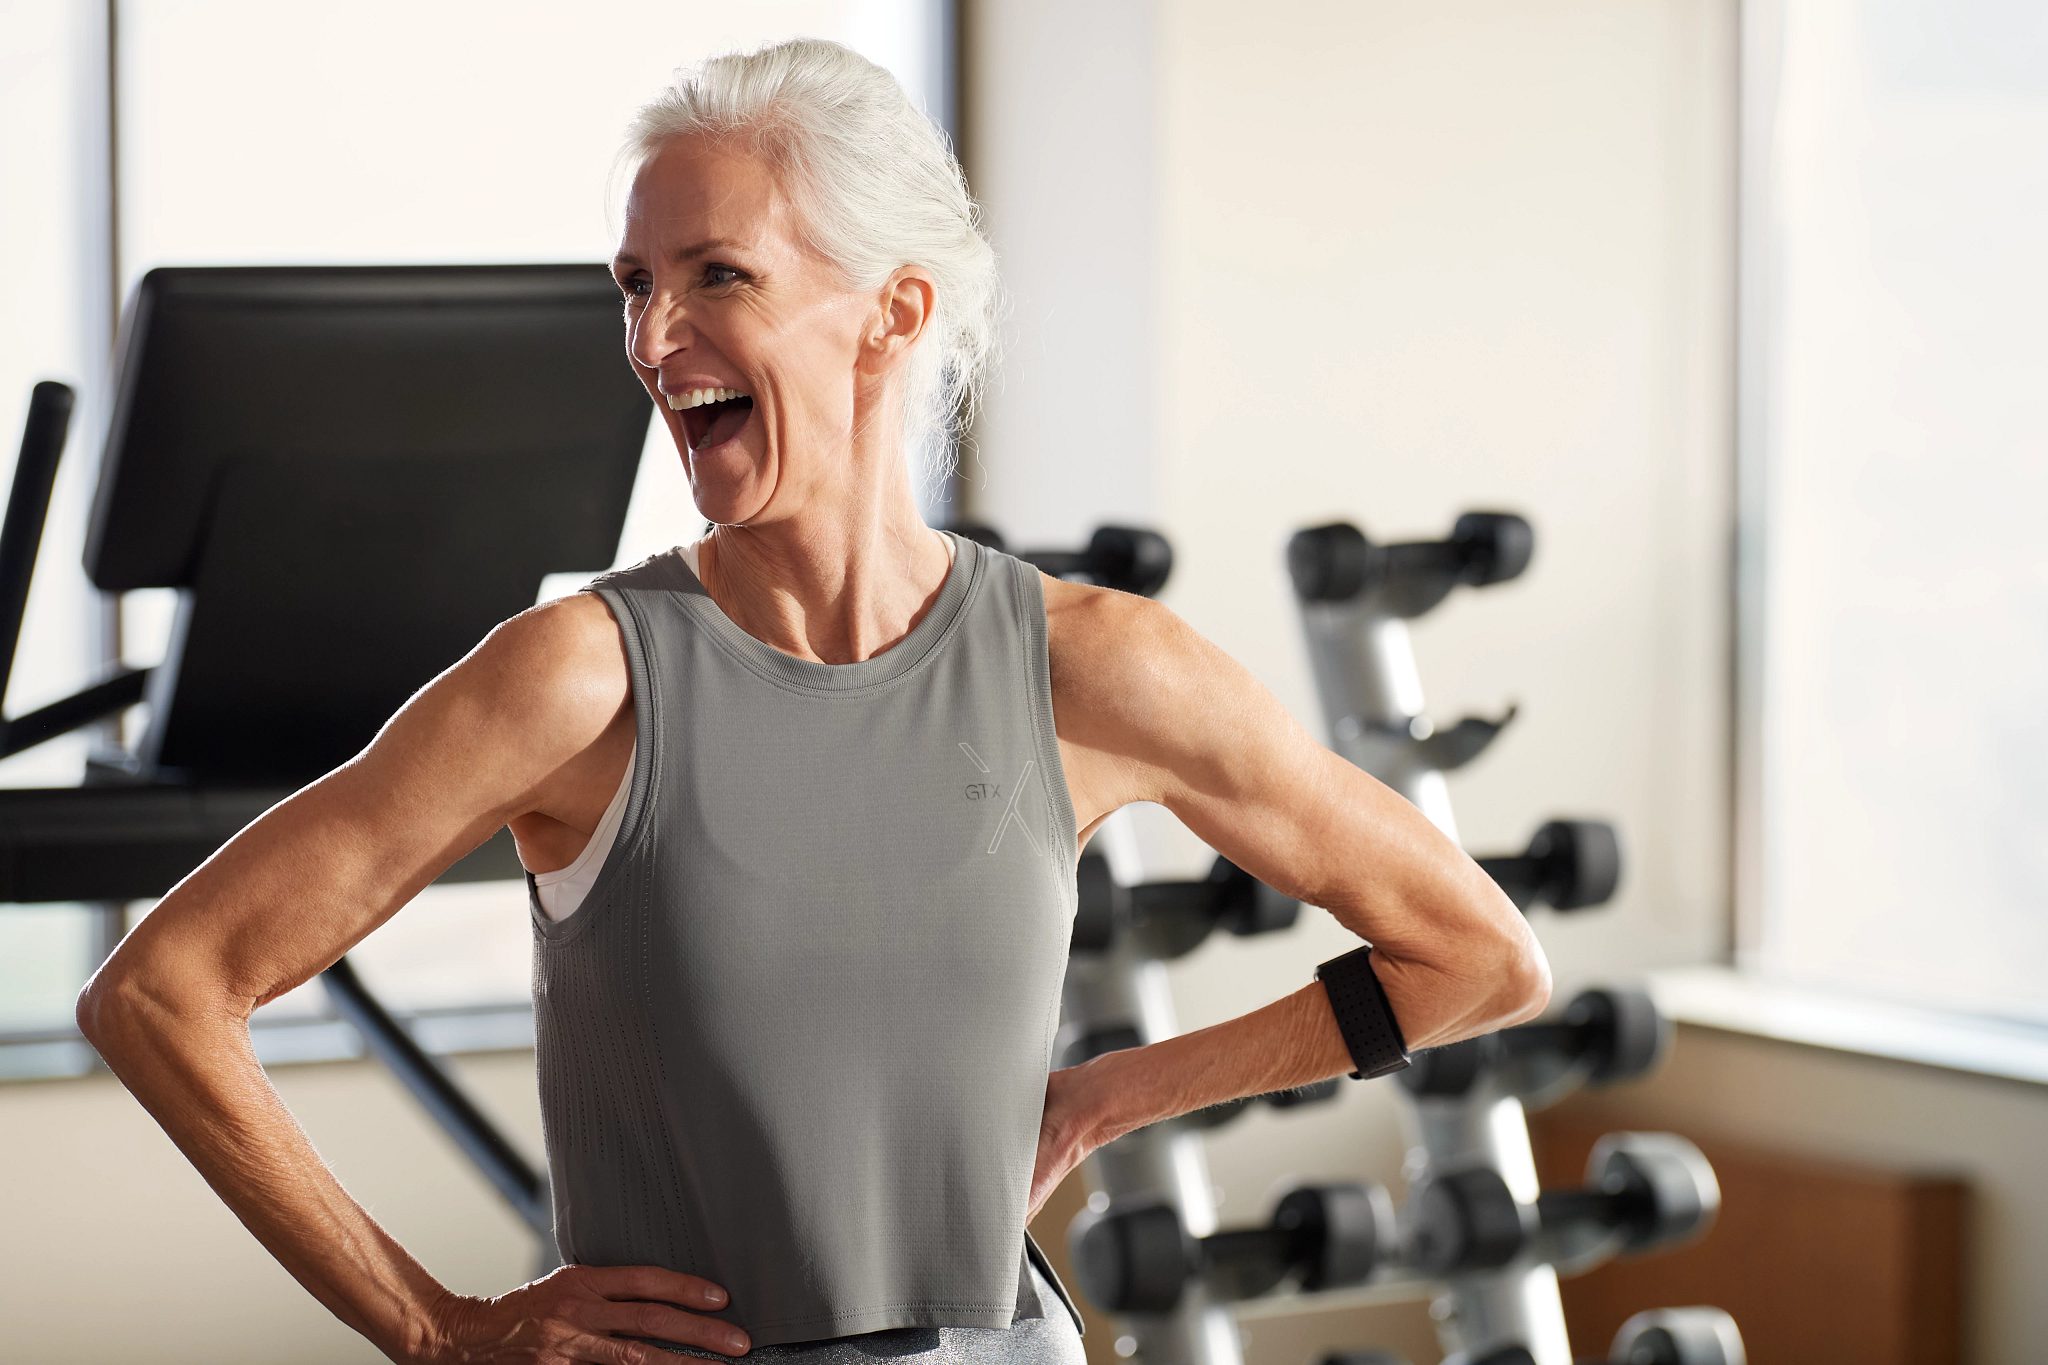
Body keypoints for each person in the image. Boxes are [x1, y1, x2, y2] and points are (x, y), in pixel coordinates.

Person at [76, 36, 1551, 1365]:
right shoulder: (582, 678)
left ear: (889, 312)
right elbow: (160, 987)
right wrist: (434, 1328)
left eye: (718, 274)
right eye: (636, 286)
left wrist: (1105, 1097)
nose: (655, 340)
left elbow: (1476, 955)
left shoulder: (1089, 667)